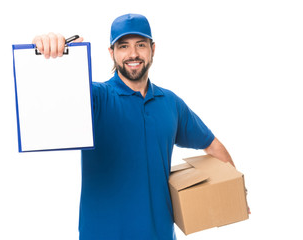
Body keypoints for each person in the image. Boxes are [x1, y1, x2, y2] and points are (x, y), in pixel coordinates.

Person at [33, 13, 236, 240]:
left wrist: (236, 192)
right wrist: (48, 51)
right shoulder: (95, 98)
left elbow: (212, 144)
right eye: (123, 46)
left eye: (141, 45)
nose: (133, 54)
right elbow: (54, 96)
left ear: (153, 49)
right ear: (111, 53)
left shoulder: (171, 103)